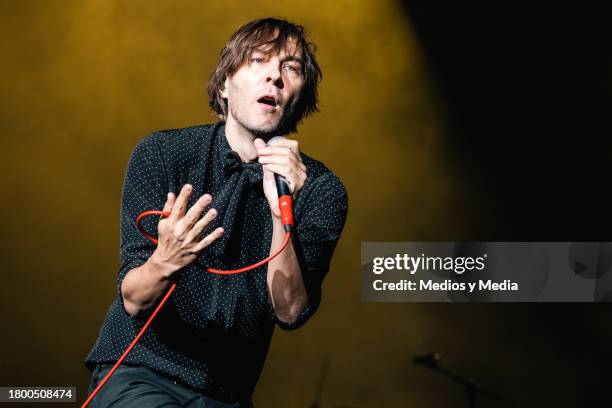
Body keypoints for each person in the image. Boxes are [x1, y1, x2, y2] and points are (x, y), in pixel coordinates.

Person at [84, 17, 348, 407]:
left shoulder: (321, 189)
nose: (274, 76)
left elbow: (290, 311)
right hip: (141, 371)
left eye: (290, 68)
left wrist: (280, 213)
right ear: (225, 84)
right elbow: (134, 299)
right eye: (258, 60)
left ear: (301, 94)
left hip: (227, 393)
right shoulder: (163, 154)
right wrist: (166, 260)